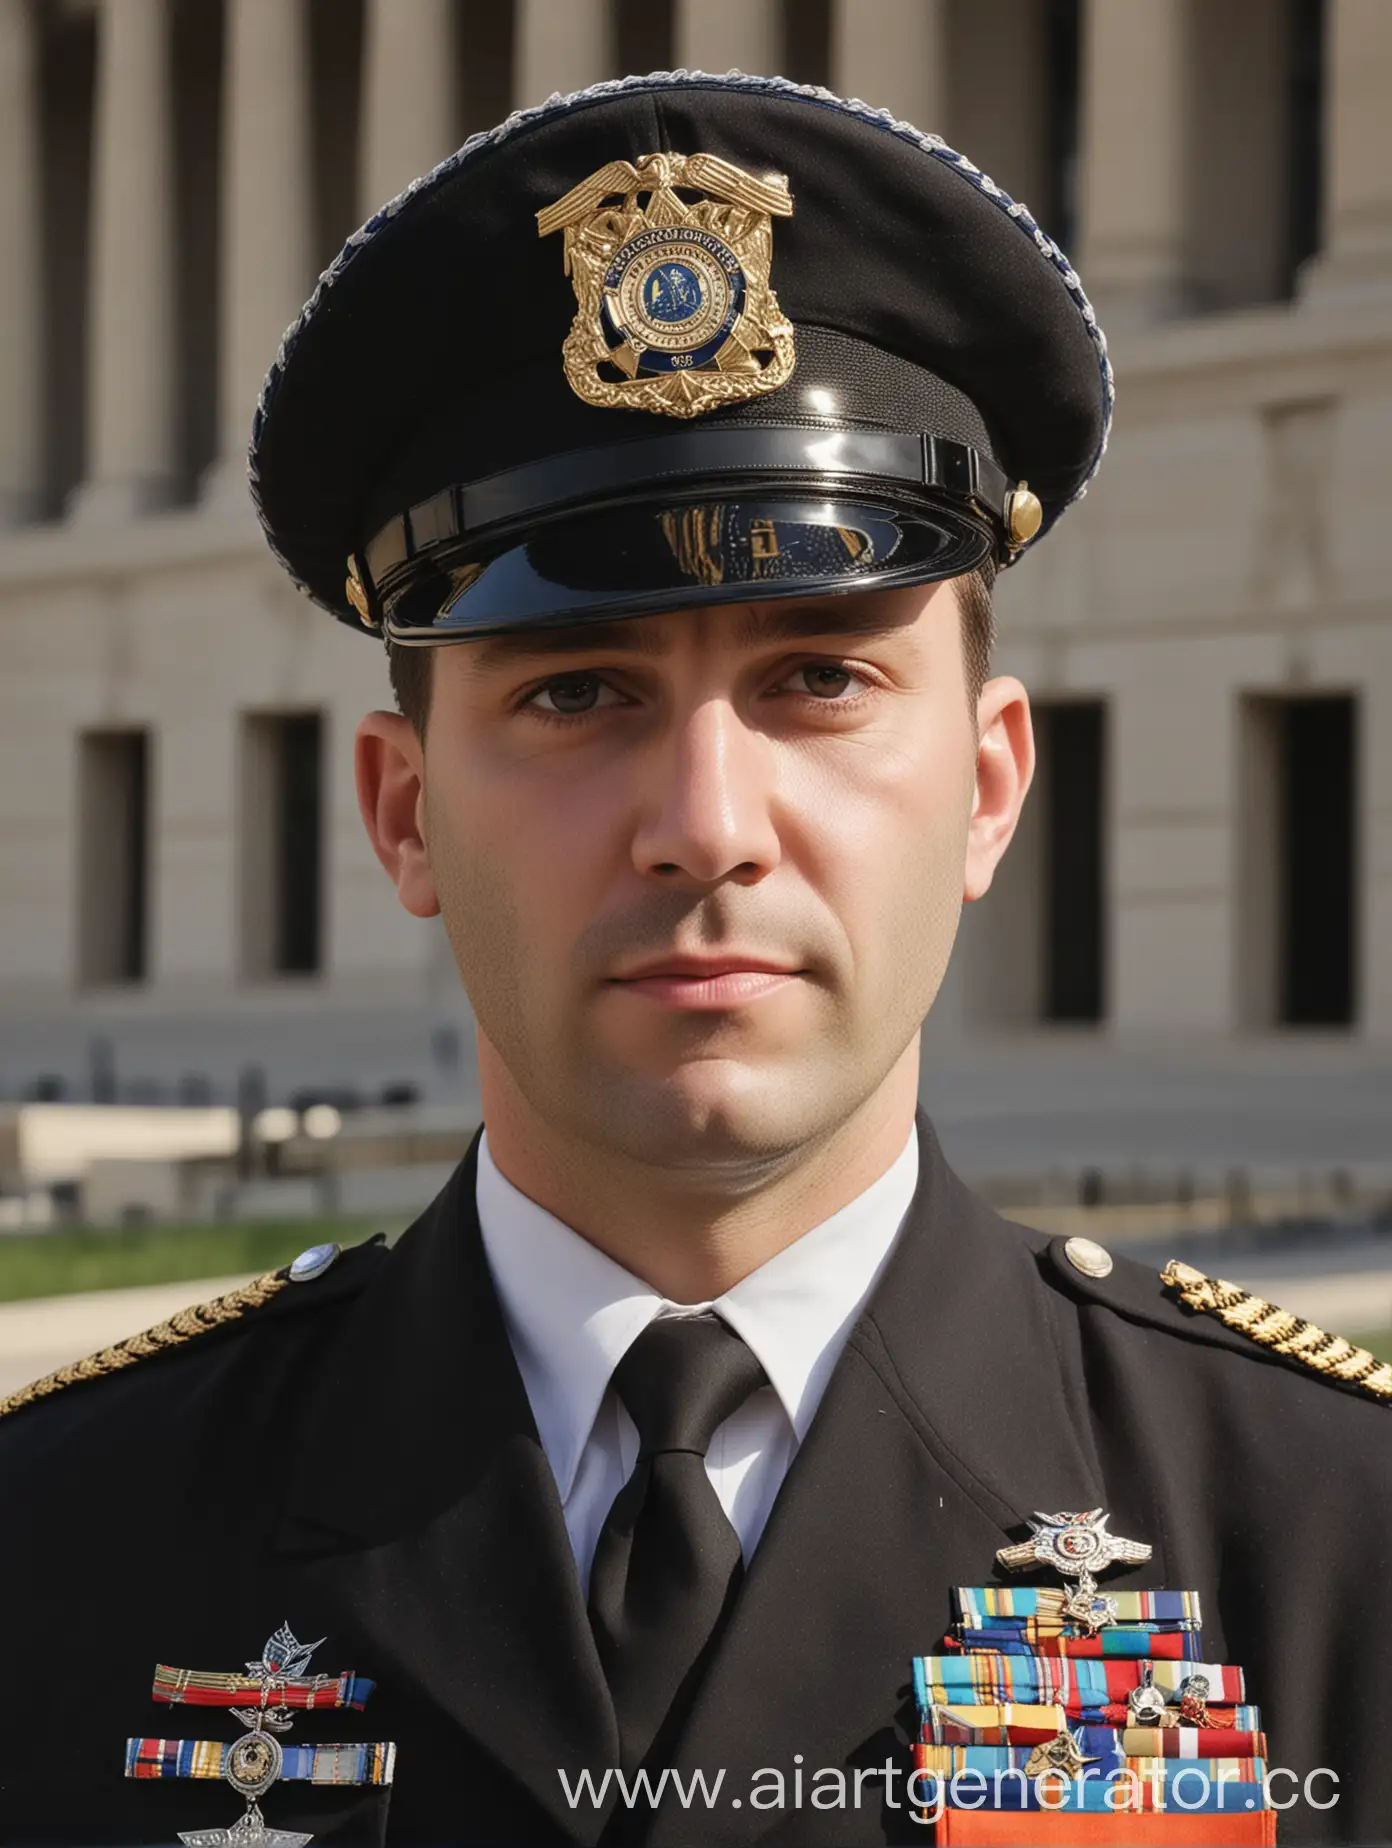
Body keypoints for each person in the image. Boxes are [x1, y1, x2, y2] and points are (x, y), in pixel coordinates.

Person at [0, 72, 1387, 1848]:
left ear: (983, 790)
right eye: (579, 693)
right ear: (405, 812)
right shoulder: (66, 1542)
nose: (704, 820)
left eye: (821, 678)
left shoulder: (1332, 1537)